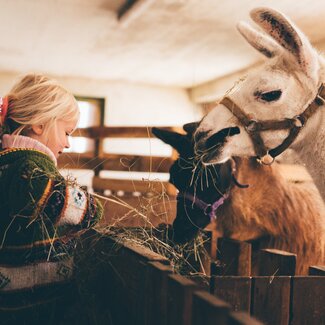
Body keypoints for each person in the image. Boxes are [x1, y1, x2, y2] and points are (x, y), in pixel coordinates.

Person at [0, 74, 103, 324]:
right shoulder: (28, 166)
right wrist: (94, 208)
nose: (67, 143)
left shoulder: (9, 162)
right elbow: (57, 201)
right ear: (39, 124)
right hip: (32, 306)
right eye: (66, 132)